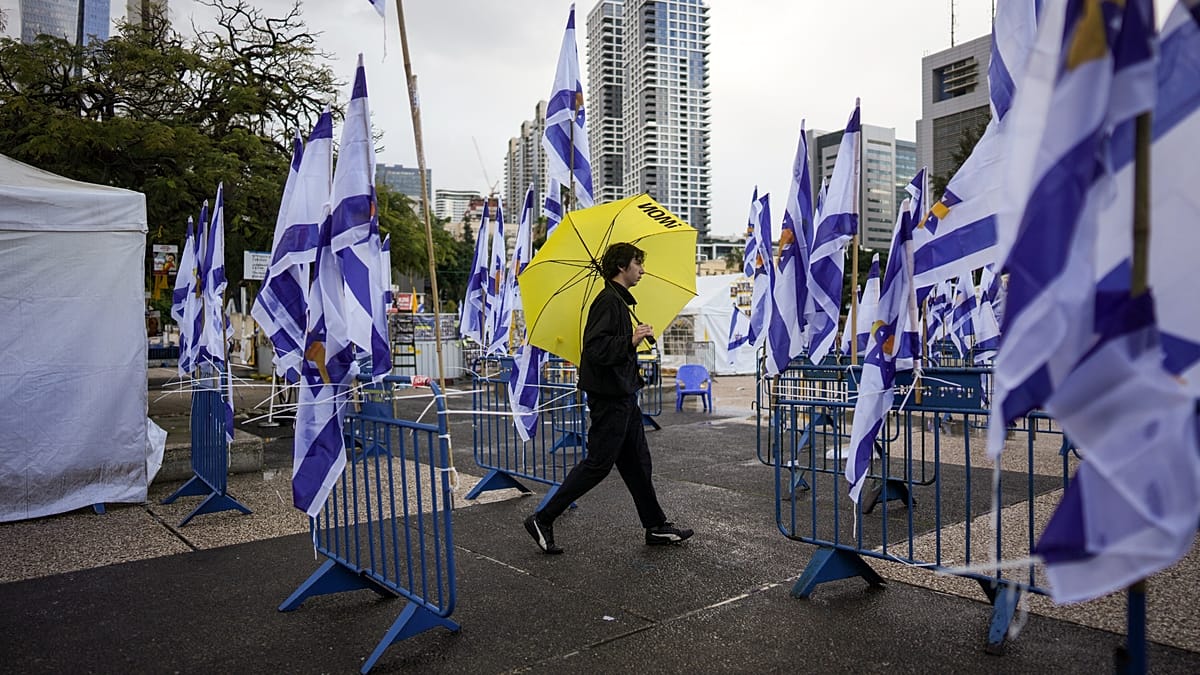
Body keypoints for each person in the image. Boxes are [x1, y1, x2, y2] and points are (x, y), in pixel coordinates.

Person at [524, 242, 693, 554]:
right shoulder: (607, 302)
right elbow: (595, 349)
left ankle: (656, 526)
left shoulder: (618, 301)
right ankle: (542, 519)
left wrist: (633, 338)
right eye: (637, 264)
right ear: (621, 267)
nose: (642, 270)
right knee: (598, 464)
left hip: (624, 395)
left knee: (638, 464)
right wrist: (631, 339)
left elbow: (611, 346)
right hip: (610, 399)